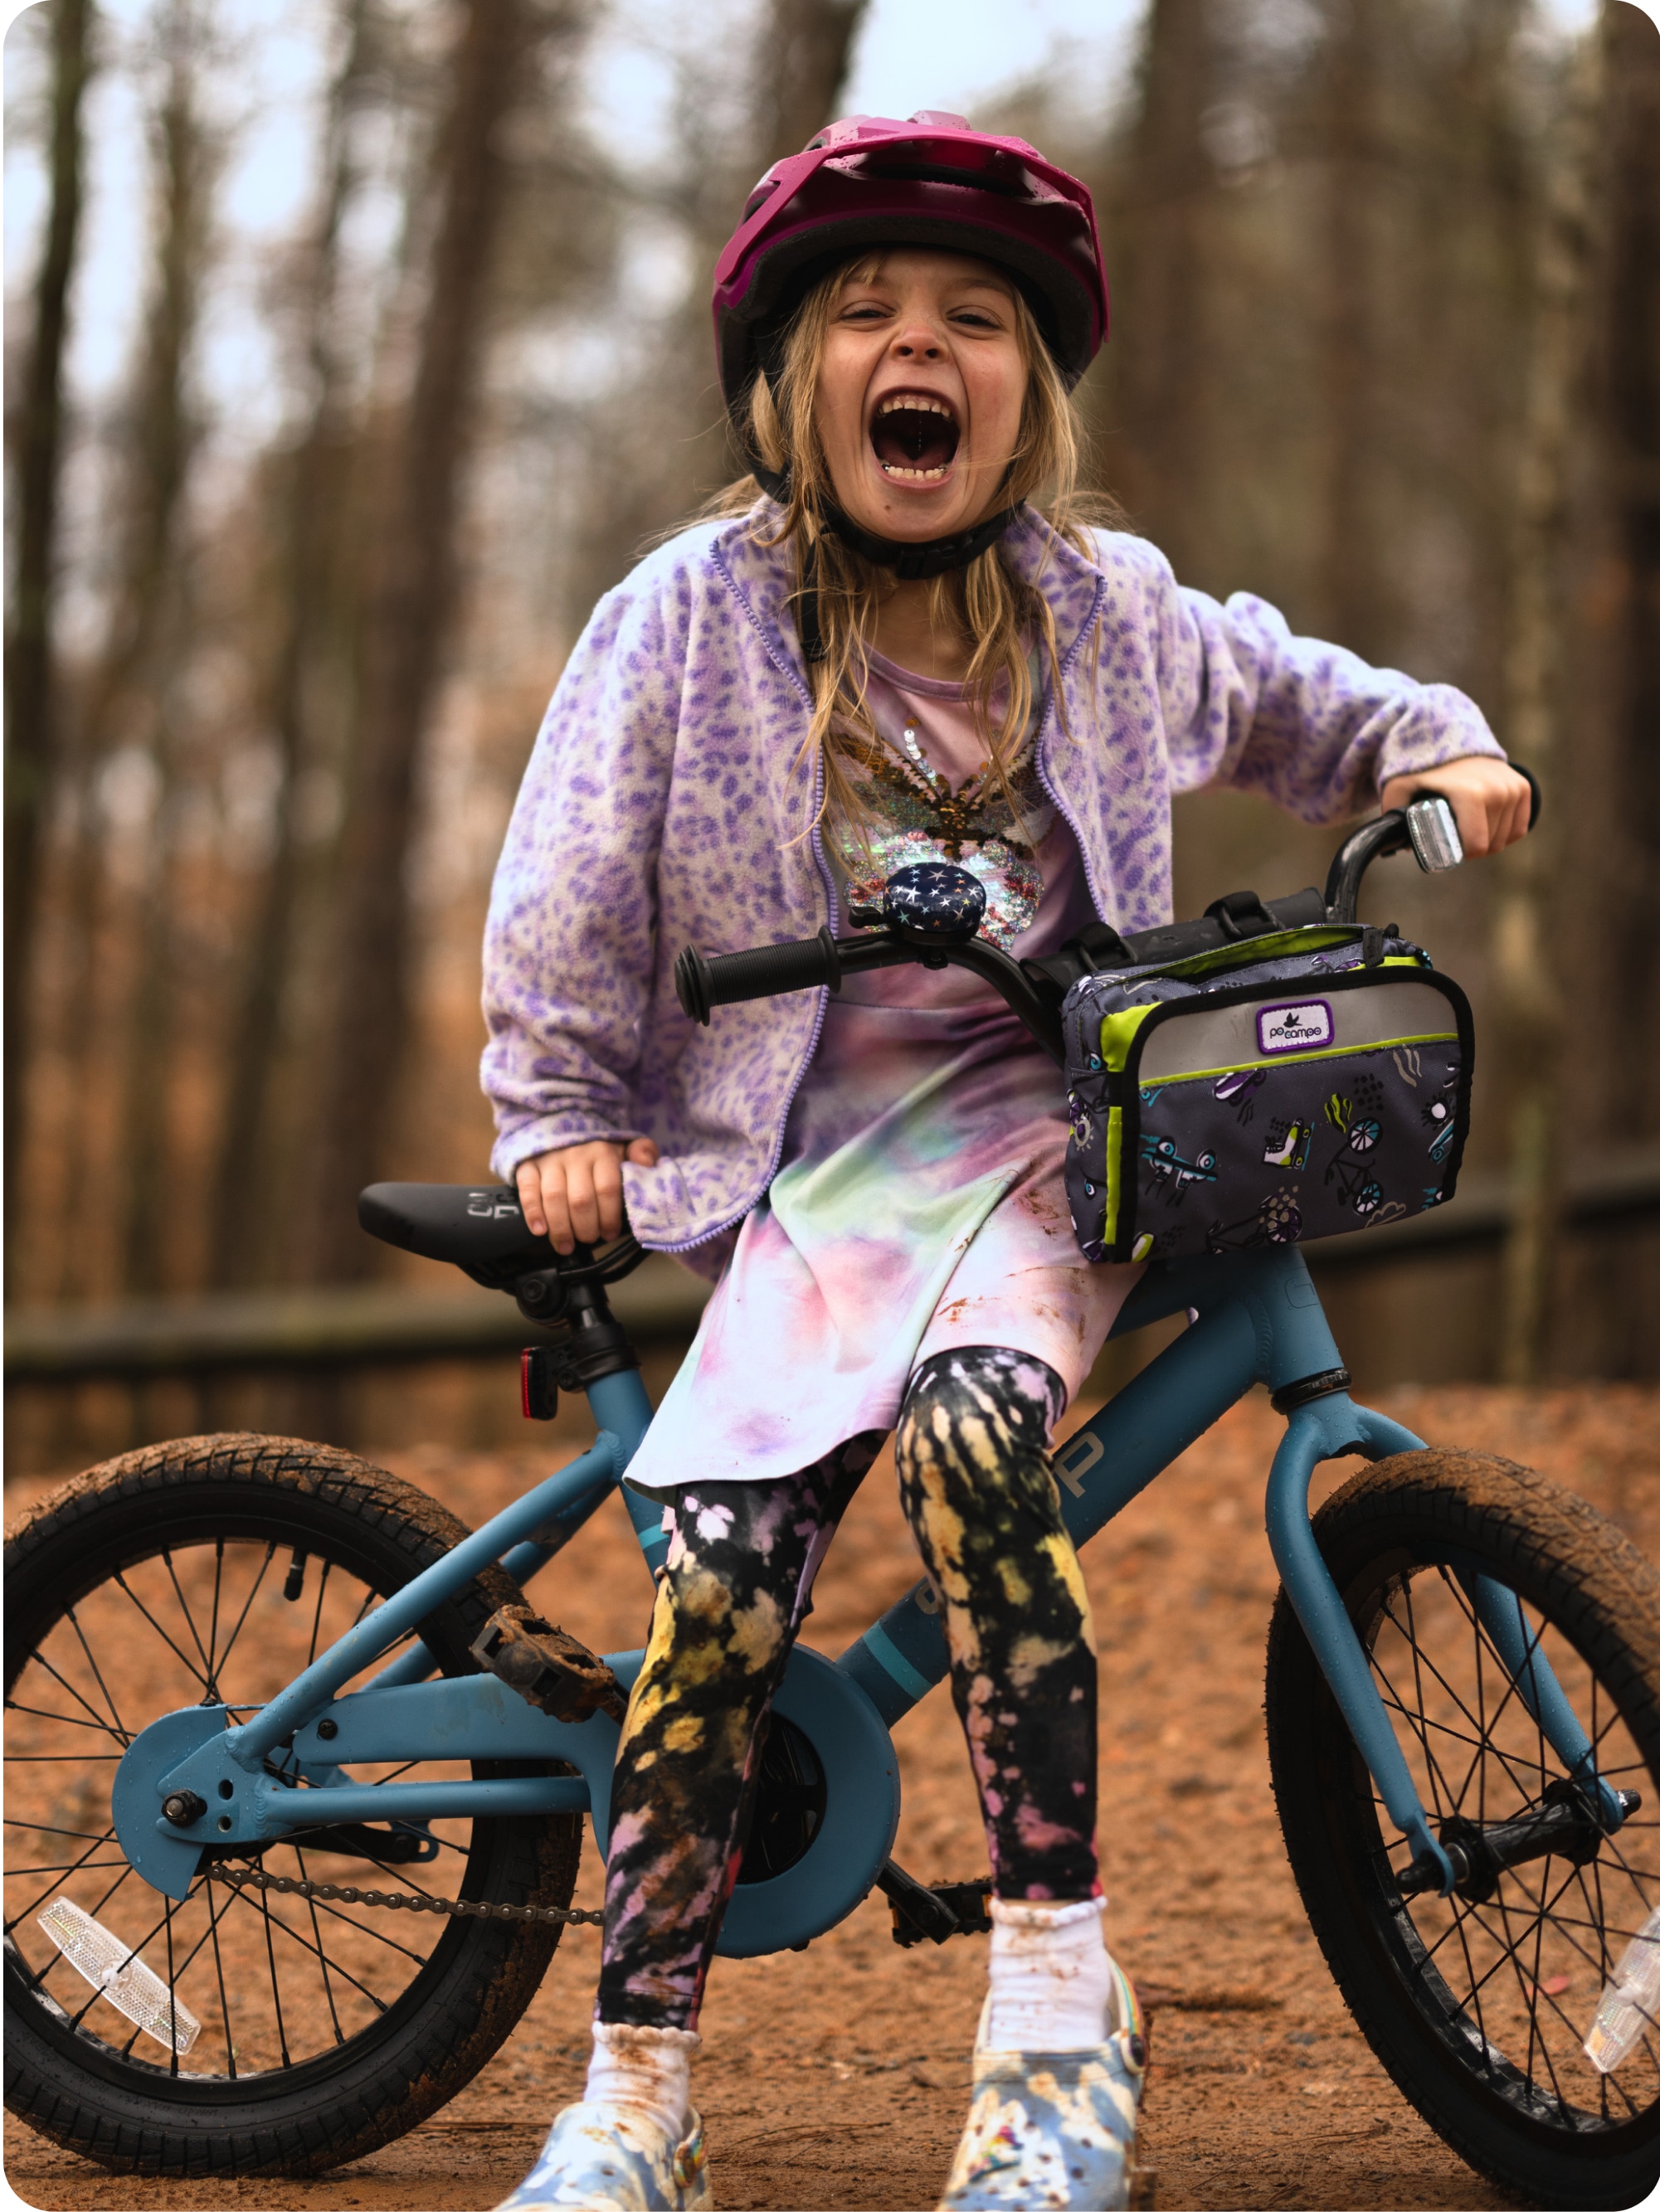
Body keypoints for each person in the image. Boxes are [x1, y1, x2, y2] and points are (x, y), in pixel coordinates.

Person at [480, 113, 1531, 2212]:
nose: (917, 346)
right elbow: (570, 887)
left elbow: (1286, 691)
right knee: (713, 1587)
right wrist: (560, 1113)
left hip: (1043, 1144)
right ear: (795, 383)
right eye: (865, 311)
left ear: (1025, 396)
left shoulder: (1100, 610)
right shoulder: (688, 620)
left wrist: (1430, 734)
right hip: (799, 1159)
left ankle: (1056, 2013)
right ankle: (630, 2095)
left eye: (971, 320)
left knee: (981, 1445)